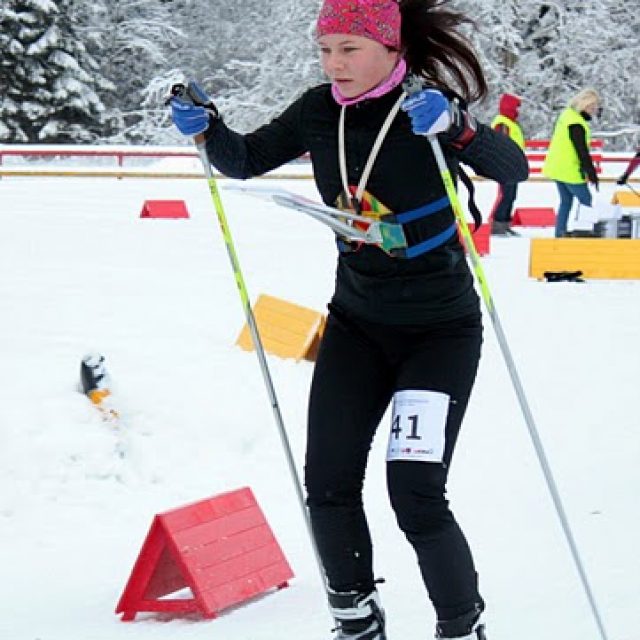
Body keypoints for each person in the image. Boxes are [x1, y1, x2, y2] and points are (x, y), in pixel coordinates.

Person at [170, 1, 528, 638]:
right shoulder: (317, 109)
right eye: (325, 49)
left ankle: (459, 624)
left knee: (414, 492)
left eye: (349, 49)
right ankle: (356, 619)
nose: (334, 64)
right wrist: (207, 128)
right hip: (357, 326)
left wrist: (458, 129)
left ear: (392, 50)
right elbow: (246, 158)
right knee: (328, 485)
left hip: (438, 333)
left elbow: (512, 169)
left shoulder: (426, 106)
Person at [542, 88, 601, 237]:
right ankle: (582, 234)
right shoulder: (576, 124)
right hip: (569, 170)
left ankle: (559, 235)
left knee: (566, 202)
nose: (594, 111)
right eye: (592, 107)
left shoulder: (567, 115)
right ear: (584, 105)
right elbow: (581, 151)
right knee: (586, 201)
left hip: (557, 168)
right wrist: (591, 172)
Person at [489, 93, 525, 236]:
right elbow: (502, 145)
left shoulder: (510, 123)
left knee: (511, 195)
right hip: (505, 165)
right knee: (505, 195)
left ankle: (504, 223)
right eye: (516, 107)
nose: (518, 111)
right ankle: (497, 224)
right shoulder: (502, 123)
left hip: (513, 165)